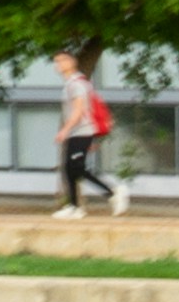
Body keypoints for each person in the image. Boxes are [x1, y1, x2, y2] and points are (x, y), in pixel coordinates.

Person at [49, 52, 125, 218]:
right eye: (56, 61)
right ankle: (75, 207)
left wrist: (65, 130)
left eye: (62, 60)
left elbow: (79, 110)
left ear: (72, 62)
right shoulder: (72, 83)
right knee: (71, 168)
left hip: (81, 131)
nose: (58, 64)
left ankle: (112, 192)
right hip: (78, 133)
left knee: (75, 167)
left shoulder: (77, 84)